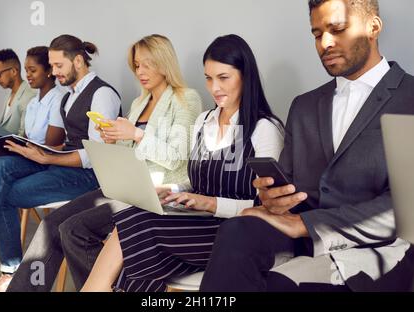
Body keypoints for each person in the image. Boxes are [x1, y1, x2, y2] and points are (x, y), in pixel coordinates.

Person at [200, 0, 414, 292]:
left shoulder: (410, 99)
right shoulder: (304, 105)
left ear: (373, 27)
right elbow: (289, 186)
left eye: (337, 29)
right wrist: (272, 199)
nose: (325, 43)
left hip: (378, 246)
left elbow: (404, 209)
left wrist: (306, 224)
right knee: (236, 231)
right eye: (316, 34)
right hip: (302, 234)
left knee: (282, 283)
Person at [80, 34, 285, 292]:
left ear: (246, 76)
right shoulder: (203, 122)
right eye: (209, 79)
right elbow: (196, 180)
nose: (214, 88)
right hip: (198, 223)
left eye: (224, 78)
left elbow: (266, 207)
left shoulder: (265, 129)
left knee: (140, 228)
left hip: (239, 231)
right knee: (139, 246)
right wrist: (174, 191)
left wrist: (210, 203)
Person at [7, 34, 203, 292]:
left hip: (156, 191)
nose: (139, 72)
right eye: (136, 65)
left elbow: (178, 156)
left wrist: (135, 134)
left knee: (74, 230)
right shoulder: (139, 102)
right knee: (51, 224)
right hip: (126, 185)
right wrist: (113, 143)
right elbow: (131, 151)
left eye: (146, 64)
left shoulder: (186, 98)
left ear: (164, 63)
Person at [0, 35, 122, 290]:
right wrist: (34, 150)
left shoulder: (102, 94)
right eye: (52, 65)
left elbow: (97, 155)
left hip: (91, 176)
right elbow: (64, 144)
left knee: (0, 193)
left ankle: (4, 270)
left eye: (59, 66)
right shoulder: (68, 96)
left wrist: (48, 156)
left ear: (78, 61)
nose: (54, 71)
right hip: (62, 163)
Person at [0, 46, 66, 274]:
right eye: (27, 70)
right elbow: (27, 138)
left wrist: (17, 147)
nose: (27, 75)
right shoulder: (33, 104)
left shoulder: (59, 99)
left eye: (32, 70)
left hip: (44, 161)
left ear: (49, 71)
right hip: (25, 155)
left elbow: (48, 148)